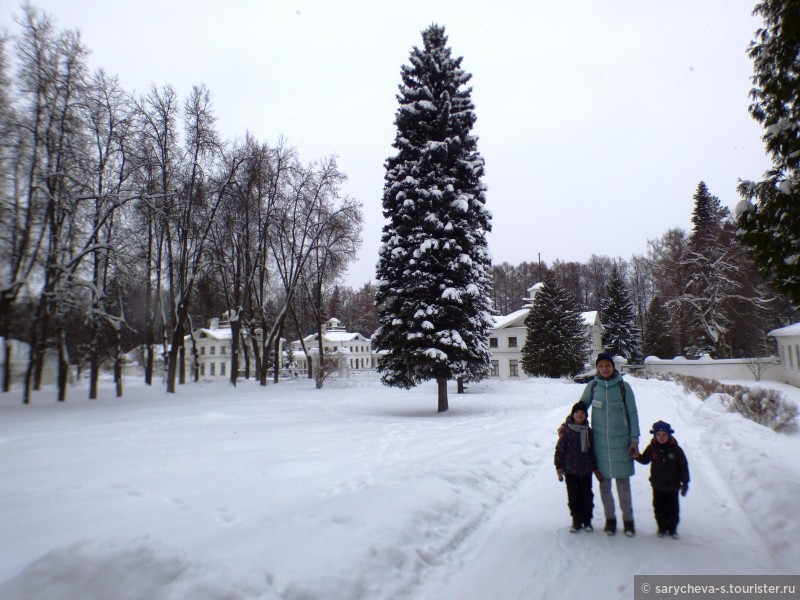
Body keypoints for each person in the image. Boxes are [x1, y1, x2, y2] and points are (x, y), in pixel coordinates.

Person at [580, 352, 640, 537]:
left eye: (608, 365)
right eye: (601, 366)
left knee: (623, 486)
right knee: (604, 487)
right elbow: (580, 409)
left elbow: (632, 414)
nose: (605, 369)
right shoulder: (593, 386)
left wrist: (634, 440)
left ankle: (628, 521)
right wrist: (568, 426)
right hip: (600, 446)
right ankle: (611, 520)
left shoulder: (624, 387)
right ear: (597, 368)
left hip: (622, 444)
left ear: (613, 367)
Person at [635, 420, 690, 539]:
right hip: (658, 485)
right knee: (659, 507)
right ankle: (661, 528)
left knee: (673, 508)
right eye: (658, 435)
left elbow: (683, 467)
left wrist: (685, 483)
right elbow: (645, 459)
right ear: (654, 435)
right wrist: (637, 456)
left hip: (673, 486)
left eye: (664, 435)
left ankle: (672, 529)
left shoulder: (676, 450)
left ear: (669, 435)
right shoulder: (652, 448)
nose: (661, 437)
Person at [554, 401, 602, 532]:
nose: (580, 415)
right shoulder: (566, 431)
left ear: (586, 416)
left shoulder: (589, 432)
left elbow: (593, 452)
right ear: (572, 414)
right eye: (577, 412)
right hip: (571, 471)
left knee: (587, 497)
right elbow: (559, 450)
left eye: (582, 413)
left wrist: (595, 468)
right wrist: (559, 466)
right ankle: (576, 521)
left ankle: (587, 521)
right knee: (573, 497)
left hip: (586, 471)